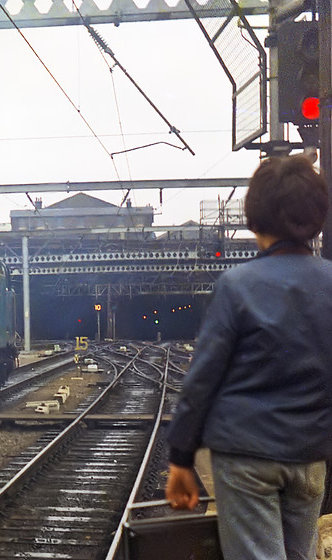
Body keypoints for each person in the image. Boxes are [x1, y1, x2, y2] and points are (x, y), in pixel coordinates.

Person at [165, 154, 332, 560]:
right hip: (310, 456)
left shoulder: (238, 286)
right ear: (317, 219)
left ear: (253, 220)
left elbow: (201, 379)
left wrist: (181, 458)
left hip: (245, 458)